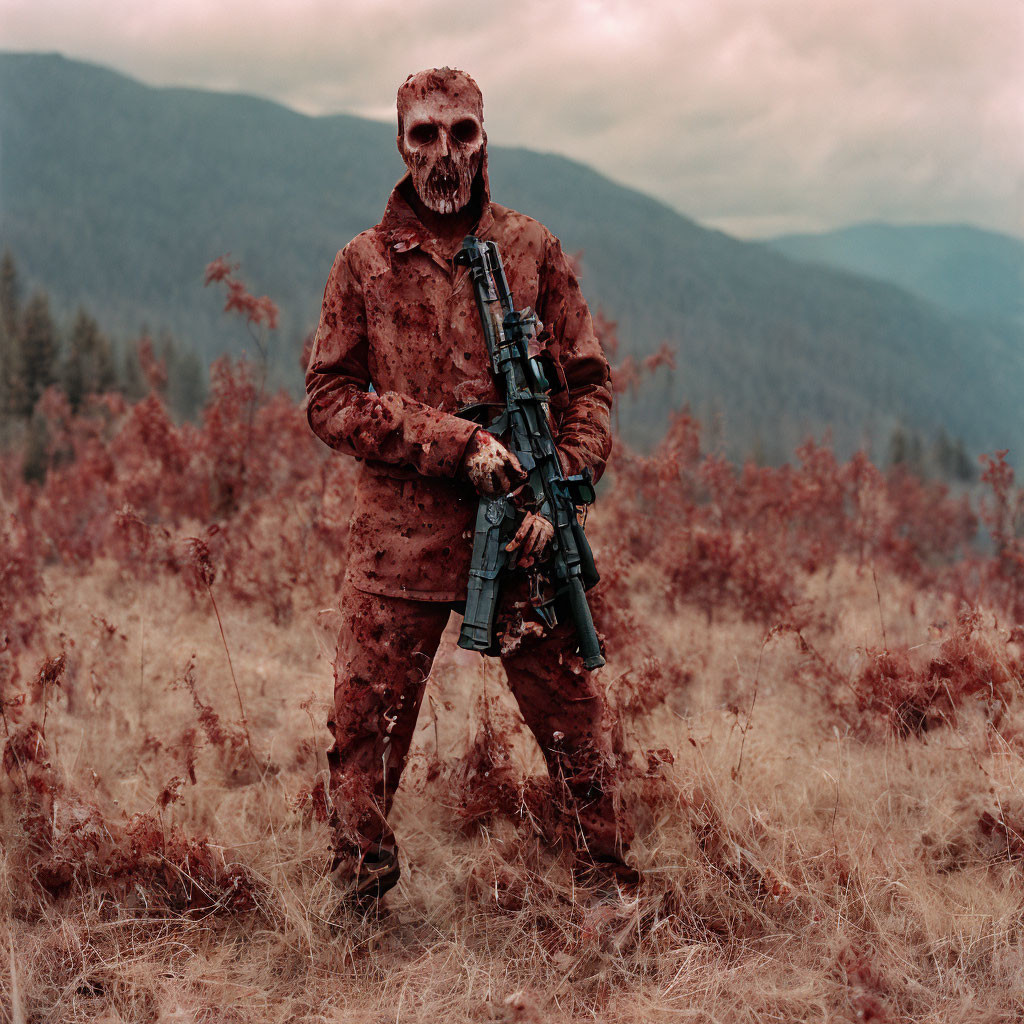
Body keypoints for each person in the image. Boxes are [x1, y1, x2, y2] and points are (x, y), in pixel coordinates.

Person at [305, 67, 635, 906]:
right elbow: (329, 398)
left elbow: (589, 384)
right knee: (363, 735)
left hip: (526, 536)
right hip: (399, 541)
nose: (444, 155)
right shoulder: (364, 265)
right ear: (400, 144)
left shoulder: (532, 250)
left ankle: (607, 892)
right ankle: (357, 904)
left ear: (485, 140)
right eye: (425, 135)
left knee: (575, 725)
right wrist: (452, 445)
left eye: (462, 133)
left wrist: (559, 482)